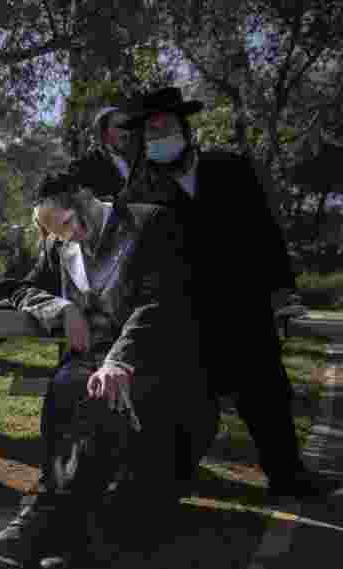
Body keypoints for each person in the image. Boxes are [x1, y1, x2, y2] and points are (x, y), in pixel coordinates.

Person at [117, 86, 334, 498]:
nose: (159, 137)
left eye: (166, 127)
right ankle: (173, 478)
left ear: (185, 127)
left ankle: (288, 475)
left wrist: (282, 294)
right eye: (151, 131)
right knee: (186, 404)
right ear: (143, 140)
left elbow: (266, 234)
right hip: (181, 317)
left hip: (243, 306)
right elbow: (134, 264)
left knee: (266, 393)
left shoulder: (232, 168)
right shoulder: (136, 194)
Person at [0, 171, 202, 569]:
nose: (72, 236)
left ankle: (54, 527)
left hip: (151, 355)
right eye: (58, 234)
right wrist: (61, 308)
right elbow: (16, 288)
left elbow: (163, 301)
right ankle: (53, 520)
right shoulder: (61, 246)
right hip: (89, 359)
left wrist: (120, 359)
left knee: (96, 397)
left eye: (70, 222)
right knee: (67, 385)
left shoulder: (150, 222)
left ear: (85, 194)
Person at [68, 105, 134, 200]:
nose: (125, 133)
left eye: (127, 127)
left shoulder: (136, 163)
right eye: (119, 126)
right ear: (103, 131)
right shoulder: (83, 167)